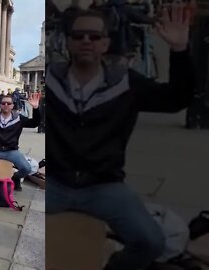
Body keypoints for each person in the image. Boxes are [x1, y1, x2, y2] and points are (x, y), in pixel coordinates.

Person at [45, 7, 194, 270]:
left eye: (94, 36)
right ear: (67, 41)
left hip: (104, 186)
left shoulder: (125, 83)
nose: (86, 41)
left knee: (151, 241)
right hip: (56, 184)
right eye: (79, 36)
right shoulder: (51, 81)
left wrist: (180, 50)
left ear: (106, 42)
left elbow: (175, 99)